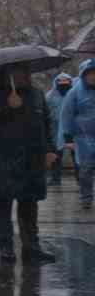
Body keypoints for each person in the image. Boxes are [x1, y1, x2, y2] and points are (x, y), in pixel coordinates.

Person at [0, 68, 57, 264]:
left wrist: (50, 148)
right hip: (0, 159)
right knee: (2, 203)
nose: (27, 76)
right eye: (21, 72)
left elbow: (46, 122)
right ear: (8, 75)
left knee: (29, 204)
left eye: (28, 71)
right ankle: (6, 248)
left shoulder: (36, 94)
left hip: (31, 159)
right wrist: (6, 109)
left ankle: (32, 248)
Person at [60, 58, 95, 212]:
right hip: (83, 138)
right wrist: (68, 137)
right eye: (90, 74)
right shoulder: (75, 92)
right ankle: (86, 198)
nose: (93, 77)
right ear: (84, 75)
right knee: (86, 169)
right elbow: (66, 115)